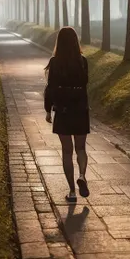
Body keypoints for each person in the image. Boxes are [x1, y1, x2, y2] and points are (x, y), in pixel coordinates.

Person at [44, 27, 90, 203]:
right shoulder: (83, 61)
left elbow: (50, 89)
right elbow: (84, 85)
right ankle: (82, 175)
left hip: (63, 110)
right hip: (80, 109)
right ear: (75, 41)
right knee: (81, 148)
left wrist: (48, 110)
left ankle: (71, 191)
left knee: (66, 151)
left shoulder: (55, 62)